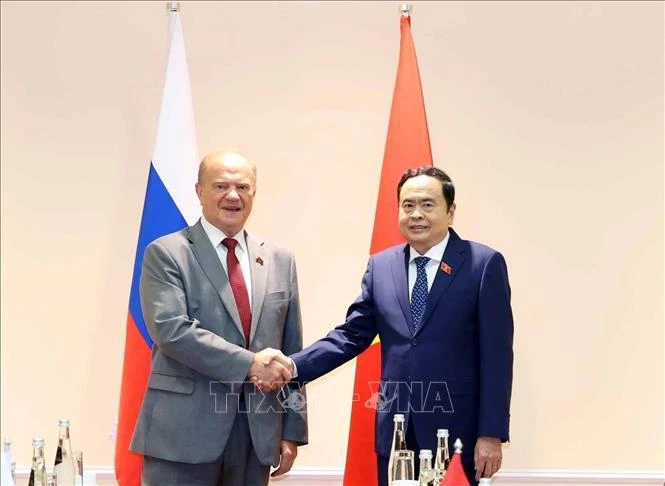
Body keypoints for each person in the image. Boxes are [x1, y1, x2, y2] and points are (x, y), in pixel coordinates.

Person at [258, 166, 513, 485]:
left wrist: (491, 434)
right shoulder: (382, 266)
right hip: (396, 434)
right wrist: (292, 366)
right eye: (408, 205)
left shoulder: (482, 264)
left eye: (427, 204)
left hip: (458, 435)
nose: (416, 214)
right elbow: (352, 335)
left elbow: (497, 357)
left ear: (451, 211)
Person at [130, 150, 308, 486]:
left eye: (242, 187)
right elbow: (172, 330)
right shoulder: (167, 253)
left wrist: (293, 430)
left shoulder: (280, 259)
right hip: (182, 436)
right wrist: (251, 363)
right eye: (221, 186)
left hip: (256, 435)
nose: (232, 196)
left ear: (254, 193)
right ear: (199, 191)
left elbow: (291, 351)